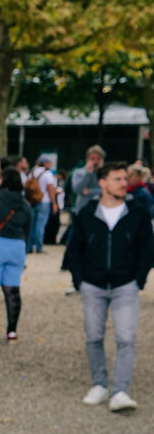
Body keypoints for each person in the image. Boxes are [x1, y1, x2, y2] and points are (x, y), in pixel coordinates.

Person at [63, 162, 153, 413]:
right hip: (93, 285)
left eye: (125, 179)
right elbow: (75, 249)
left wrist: (139, 279)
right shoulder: (87, 213)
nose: (124, 183)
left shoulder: (138, 212)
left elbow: (148, 248)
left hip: (126, 285)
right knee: (94, 336)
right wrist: (79, 280)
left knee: (126, 338)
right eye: (117, 179)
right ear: (102, 183)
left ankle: (120, 391)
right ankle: (100, 384)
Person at [0, 167, 33, 342]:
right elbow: (28, 230)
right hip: (17, 246)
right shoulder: (25, 204)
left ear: (2, 180)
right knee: (12, 290)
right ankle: (11, 331)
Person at [26, 153, 59, 253]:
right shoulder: (48, 174)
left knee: (32, 225)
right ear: (45, 163)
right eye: (49, 162)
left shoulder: (32, 172)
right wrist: (54, 203)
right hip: (44, 201)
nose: (51, 164)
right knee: (40, 225)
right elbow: (50, 190)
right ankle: (39, 246)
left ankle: (30, 246)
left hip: (32, 201)